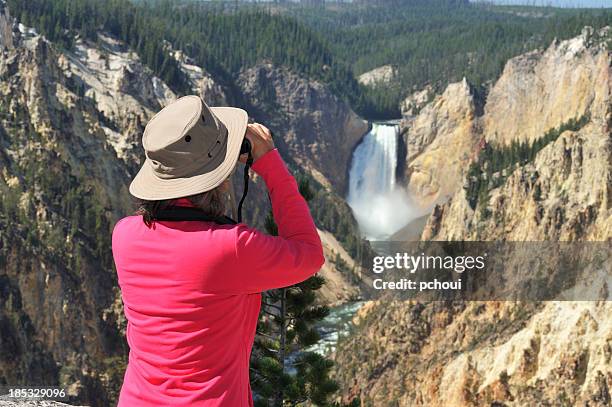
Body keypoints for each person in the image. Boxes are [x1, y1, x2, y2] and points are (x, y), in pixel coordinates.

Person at [111, 95, 325, 406]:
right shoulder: (230, 248)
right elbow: (309, 253)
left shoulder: (124, 235)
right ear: (219, 179)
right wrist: (268, 161)